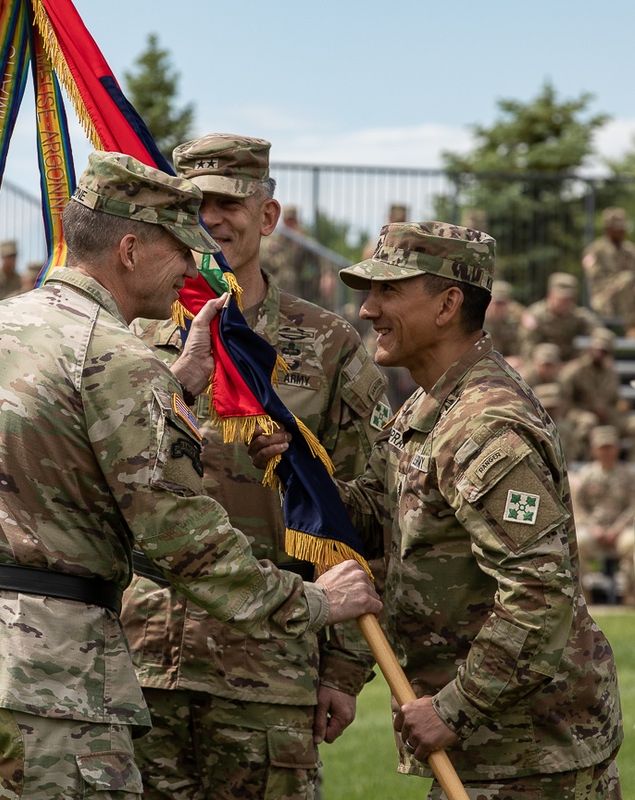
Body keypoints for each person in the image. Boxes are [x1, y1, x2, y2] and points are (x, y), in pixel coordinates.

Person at [0, 151, 381, 799]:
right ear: (128, 249)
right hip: (45, 668)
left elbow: (55, 461)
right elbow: (182, 538)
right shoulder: (120, 357)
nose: (191, 268)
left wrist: (171, 395)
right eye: (180, 248)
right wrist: (316, 604)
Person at [254, 221, 623, 798]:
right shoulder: (432, 406)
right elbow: (382, 525)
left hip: (531, 755)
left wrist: (454, 708)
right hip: (488, 751)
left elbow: (539, 596)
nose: (368, 309)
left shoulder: (484, 424)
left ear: (449, 303)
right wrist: (295, 470)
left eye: (389, 291)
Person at [122, 133, 391, 800]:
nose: (212, 219)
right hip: (137, 667)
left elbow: (374, 515)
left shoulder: (327, 347)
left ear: (267, 217)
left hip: (269, 670)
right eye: (197, 205)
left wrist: (345, 669)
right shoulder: (127, 339)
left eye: (229, 202)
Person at [572, 425, 635, 605]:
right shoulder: (586, 474)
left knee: (633, 541)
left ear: (617, 448)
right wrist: (594, 527)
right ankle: (584, 598)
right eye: (602, 447)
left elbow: (633, 505)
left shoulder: (629, 474)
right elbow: (578, 506)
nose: (606, 451)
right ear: (594, 450)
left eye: (610, 447)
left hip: (621, 533)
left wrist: (617, 529)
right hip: (594, 532)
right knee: (577, 542)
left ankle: (630, 596)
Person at [519, 271, 598, 362]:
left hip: (568, 364)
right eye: (562, 299)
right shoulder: (535, 315)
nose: (566, 303)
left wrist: (599, 346)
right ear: (551, 295)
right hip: (542, 365)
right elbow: (528, 347)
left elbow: (598, 330)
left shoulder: (577, 315)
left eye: (570, 299)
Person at [582, 207, 635, 335]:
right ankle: (631, 327)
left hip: (628, 295)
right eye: (617, 229)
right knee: (627, 278)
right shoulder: (596, 250)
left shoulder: (630, 250)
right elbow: (592, 275)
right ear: (608, 229)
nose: (621, 232)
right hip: (604, 297)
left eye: (622, 228)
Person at [483, 279, 524, 367]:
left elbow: (516, 350)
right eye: (497, 303)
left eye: (503, 303)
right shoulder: (478, 321)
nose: (499, 307)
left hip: (504, 364)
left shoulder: (512, 323)